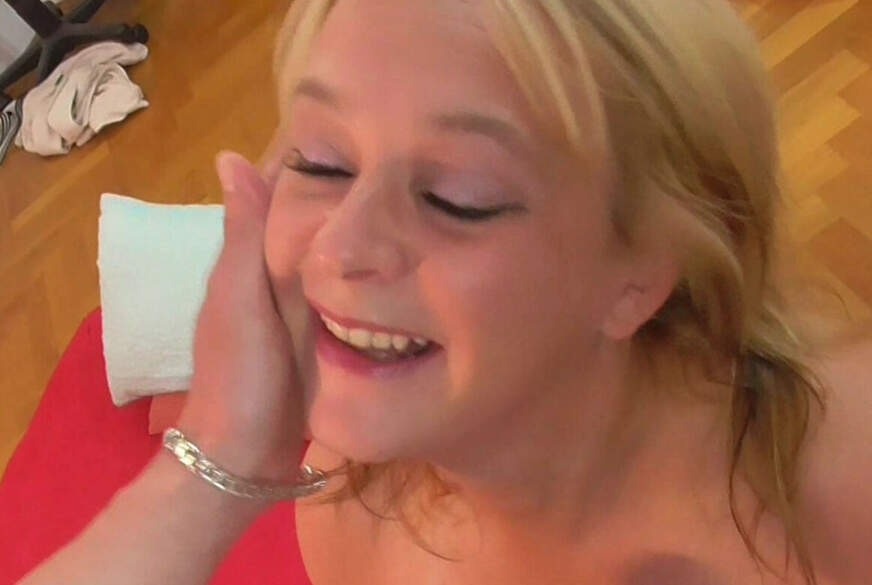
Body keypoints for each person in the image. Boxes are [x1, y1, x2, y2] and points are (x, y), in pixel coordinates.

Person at [16, 0, 872, 584]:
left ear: (642, 274)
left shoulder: (840, 471)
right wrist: (219, 460)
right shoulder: (355, 515)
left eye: (459, 197)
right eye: (321, 160)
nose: (342, 246)